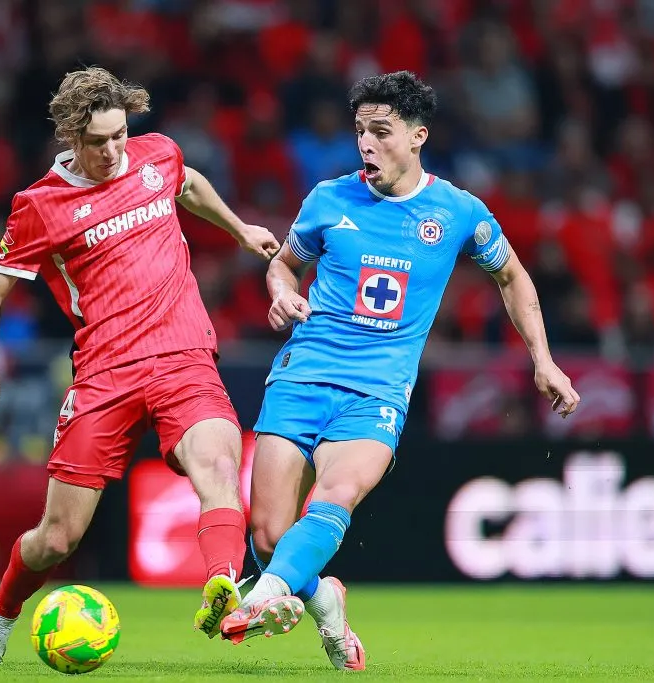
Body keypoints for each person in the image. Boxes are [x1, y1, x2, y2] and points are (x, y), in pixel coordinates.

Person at [219, 71, 581, 669]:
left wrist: (543, 359)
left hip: (379, 389)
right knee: (266, 536)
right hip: (302, 375)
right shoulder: (328, 200)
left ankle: (263, 598)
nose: (366, 143)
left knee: (336, 494)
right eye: (360, 130)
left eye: (381, 131)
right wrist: (281, 292)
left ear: (418, 136)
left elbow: (512, 275)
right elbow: (284, 265)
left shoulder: (459, 211)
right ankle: (322, 599)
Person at [0, 66, 280, 666]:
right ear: (70, 138)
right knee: (58, 539)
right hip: (105, 373)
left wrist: (238, 230)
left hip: (184, 355)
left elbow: (187, 183)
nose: (112, 152)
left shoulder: (156, 155)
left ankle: (223, 590)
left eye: (119, 136)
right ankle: (0, 615)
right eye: (98, 141)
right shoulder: (40, 205)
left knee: (218, 463)